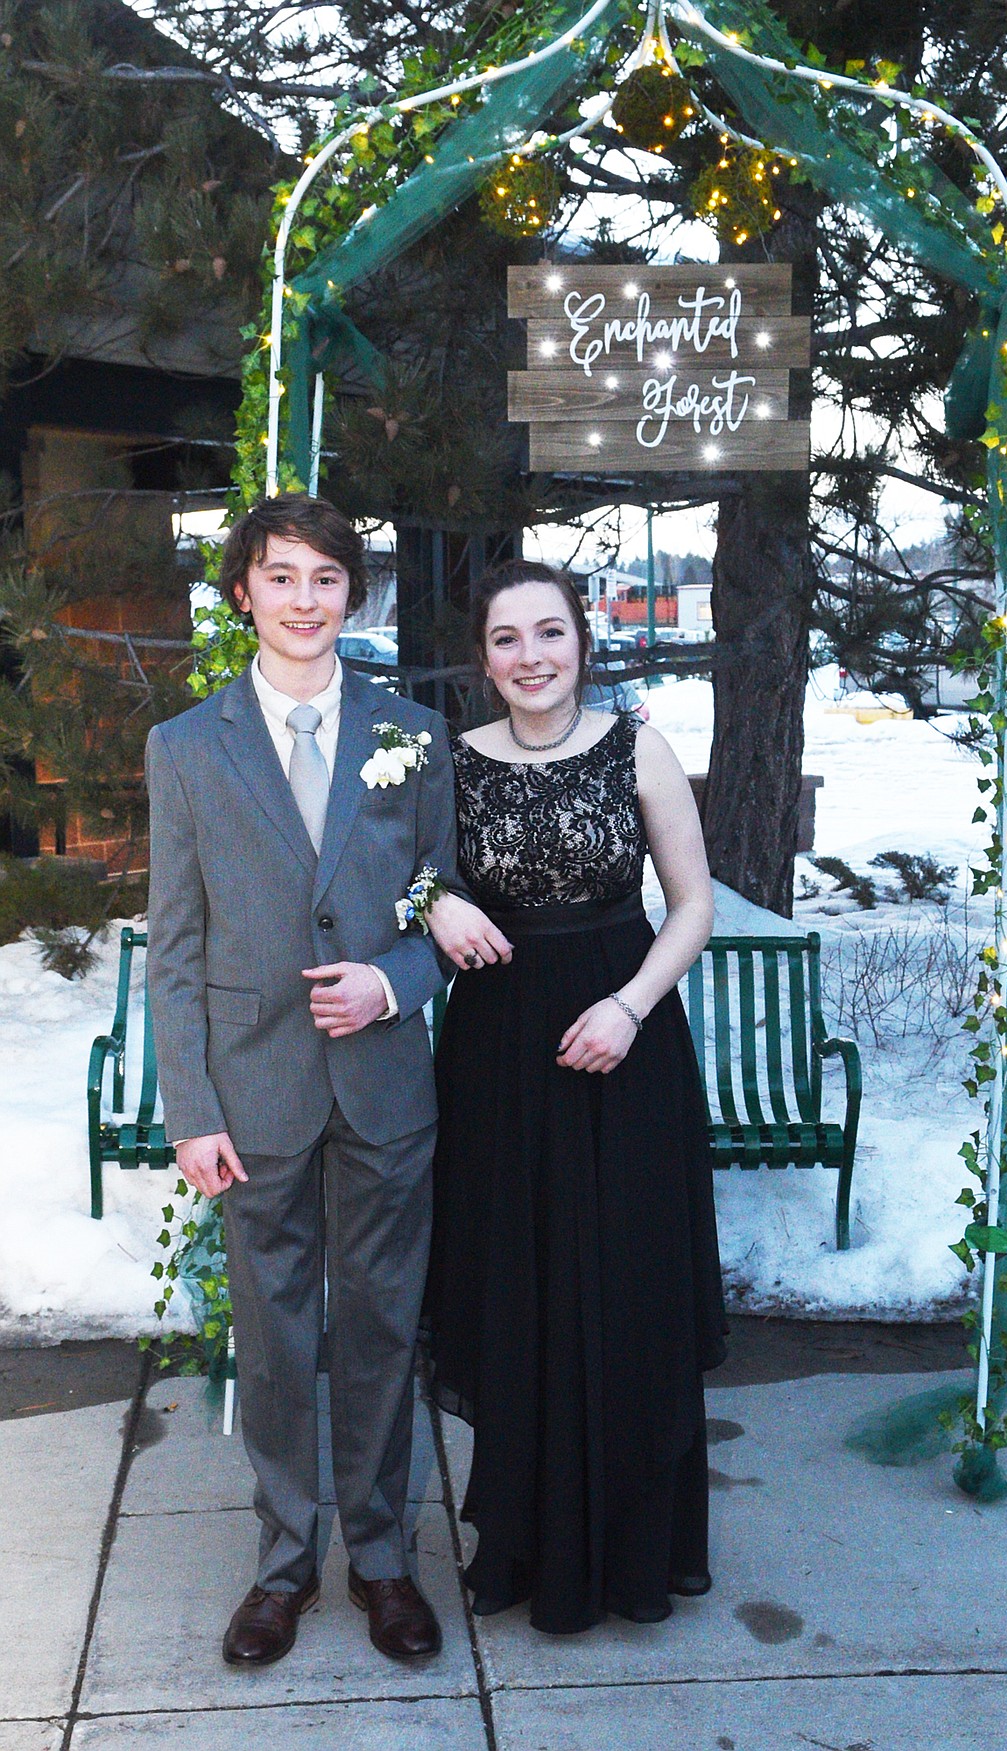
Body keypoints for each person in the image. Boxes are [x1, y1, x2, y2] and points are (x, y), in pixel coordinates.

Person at [146, 494, 457, 1668]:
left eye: (328, 577)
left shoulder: (414, 737)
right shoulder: (186, 747)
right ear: (244, 592)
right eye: (282, 576)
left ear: (353, 594)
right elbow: (174, 946)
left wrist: (395, 980)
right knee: (276, 1339)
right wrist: (192, 1111)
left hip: (383, 1085)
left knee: (380, 1328)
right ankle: (283, 1562)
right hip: (254, 1089)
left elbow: (441, 906)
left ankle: (381, 1559)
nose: (306, 598)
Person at [422, 559, 726, 1635]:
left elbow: (691, 905)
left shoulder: (638, 746)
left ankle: (634, 1548)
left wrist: (632, 1005)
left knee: (623, 1284)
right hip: (498, 1046)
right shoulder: (446, 762)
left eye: (549, 632)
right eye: (507, 638)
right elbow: (398, 871)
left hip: (622, 1039)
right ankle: (519, 1539)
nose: (532, 656)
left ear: (583, 641)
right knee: (519, 1284)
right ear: (484, 655)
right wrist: (433, 907)